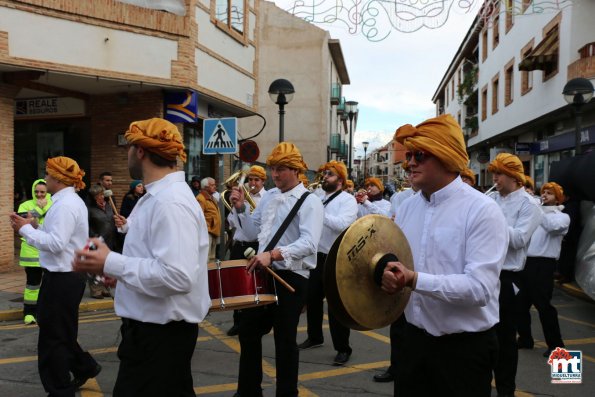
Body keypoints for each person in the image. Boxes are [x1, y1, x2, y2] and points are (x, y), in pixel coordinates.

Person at [72, 117, 210, 396]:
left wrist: (110, 261)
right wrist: (121, 276)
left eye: (128, 146)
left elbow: (177, 276)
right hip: (152, 336)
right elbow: (155, 262)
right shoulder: (158, 197)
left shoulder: (170, 201)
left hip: (160, 338)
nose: (127, 153)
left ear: (141, 151)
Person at [380, 114, 508, 397]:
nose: (409, 162)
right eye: (409, 154)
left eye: (419, 155)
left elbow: (479, 289)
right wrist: (387, 277)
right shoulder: (409, 208)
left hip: (463, 351)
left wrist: (413, 279)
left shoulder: (482, 210)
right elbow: (396, 262)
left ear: (445, 156)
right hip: (412, 342)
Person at [228, 142, 323, 397]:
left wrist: (274, 254)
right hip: (263, 272)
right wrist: (239, 208)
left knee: (284, 340)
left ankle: (286, 393)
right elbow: (250, 233)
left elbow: (310, 243)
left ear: (296, 170)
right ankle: (248, 391)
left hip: (291, 276)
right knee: (248, 332)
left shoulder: (310, 202)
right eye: (272, 169)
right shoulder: (269, 196)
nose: (275, 175)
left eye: (281, 169)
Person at [10, 156, 101, 397]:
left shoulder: (65, 205)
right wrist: (34, 226)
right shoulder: (66, 202)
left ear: (59, 178)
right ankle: (85, 366)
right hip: (65, 277)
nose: (46, 178)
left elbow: (57, 243)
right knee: (61, 332)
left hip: (62, 278)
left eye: (49, 174)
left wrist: (24, 229)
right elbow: (61, 236)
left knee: (52, 339)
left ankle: (60, 391)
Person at [487, 152, 541, 397]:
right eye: (494, 173)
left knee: (505, 338)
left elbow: (519, 240)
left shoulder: (529, 204)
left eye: (499, 174)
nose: (495, 178)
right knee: (482, 334)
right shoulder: (491, 199)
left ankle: (506, 390)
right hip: (486, 272)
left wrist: (491, 222)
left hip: (509, 277)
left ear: (513, 176)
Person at [298, 160, 358, 365]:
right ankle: (315, 337)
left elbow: (342, 224)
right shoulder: (319, 197)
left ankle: (343, 348)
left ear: (340, 181)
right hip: (316, 256)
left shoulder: (348, 201)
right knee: (312, 298)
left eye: (330, 175)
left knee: (335, 306)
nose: (325, 177)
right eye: (325, 174)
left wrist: (319, 212)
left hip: (336, 257)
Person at [516, 182, 569, 358]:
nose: (545, 195)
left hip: (544, 264)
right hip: (526, 262)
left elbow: (551, 227)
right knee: (520, 305)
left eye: (550, 193)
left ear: (558, 198)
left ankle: (556, 346)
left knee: (543, 306)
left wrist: (536, 208)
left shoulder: (562, 216)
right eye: (543, 192)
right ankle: (525, 339)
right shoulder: (535, 212)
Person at [226, 165, 269, 337]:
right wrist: (238, 207)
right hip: (239, 244)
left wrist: (247, 212)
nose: (252, 183)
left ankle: (251, 320)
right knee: (236, 285)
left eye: (256, 180)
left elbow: (260, 227)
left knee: (252, 285)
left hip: (254, 245)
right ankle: (237, 321)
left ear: (263, 181)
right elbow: (231, 222)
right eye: (250, 179)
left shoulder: (266, 198)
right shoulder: (242, 196)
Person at [16, 179, 53, 324]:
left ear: (47, 191)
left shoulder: (55, 203)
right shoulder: (25, 205)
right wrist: (40, 209)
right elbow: (23, 223)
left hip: (49, 251)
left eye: (42, 192)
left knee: (49, 286)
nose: (39, 194)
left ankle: (45, 312)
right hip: (31, 253)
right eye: (36, 191)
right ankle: (29, 313)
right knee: (32, 285)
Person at [86, 184, 119, 299]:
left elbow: (113, 220)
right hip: (97, 240)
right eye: (98, 195)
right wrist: (94, 236)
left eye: (102, 194)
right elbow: (87, 226)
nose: (101, 197)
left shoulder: (109, 206)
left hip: (110, 240)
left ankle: (105, 287)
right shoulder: (89, 209)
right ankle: (96, 290)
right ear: (93, 197)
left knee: (106, 265)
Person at [197, 177, 221, 262]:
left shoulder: (211, 197)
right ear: (206, 187)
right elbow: (198, 217)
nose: (215, 186)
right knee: (206, 259)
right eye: (212, 185)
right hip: (207, 233)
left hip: (213, 232)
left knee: (211, 259)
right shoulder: (201, 198)